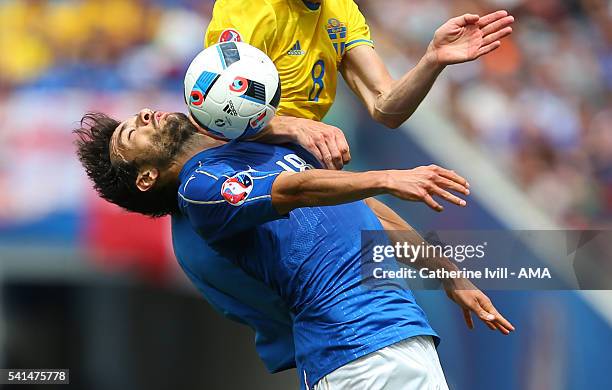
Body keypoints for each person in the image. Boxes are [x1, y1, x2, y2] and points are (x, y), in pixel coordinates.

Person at [74, 109, 514, 389]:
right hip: (354, 350)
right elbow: (297, 188)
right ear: (147, 178)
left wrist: (452, 278)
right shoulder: (198, 188)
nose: (145, 116)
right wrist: (389, 176)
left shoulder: (245, 154)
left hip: (395, 332)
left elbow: (375, 217)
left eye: (138, 116)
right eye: (131, 133)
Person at [205, 0, 514, 169]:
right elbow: (211, 112)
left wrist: (432, 59)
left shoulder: (342, 10)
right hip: (243, 156)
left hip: (301, 158)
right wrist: (294, 126)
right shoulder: (248, 7)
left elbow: (386, 107)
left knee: (403, 237)